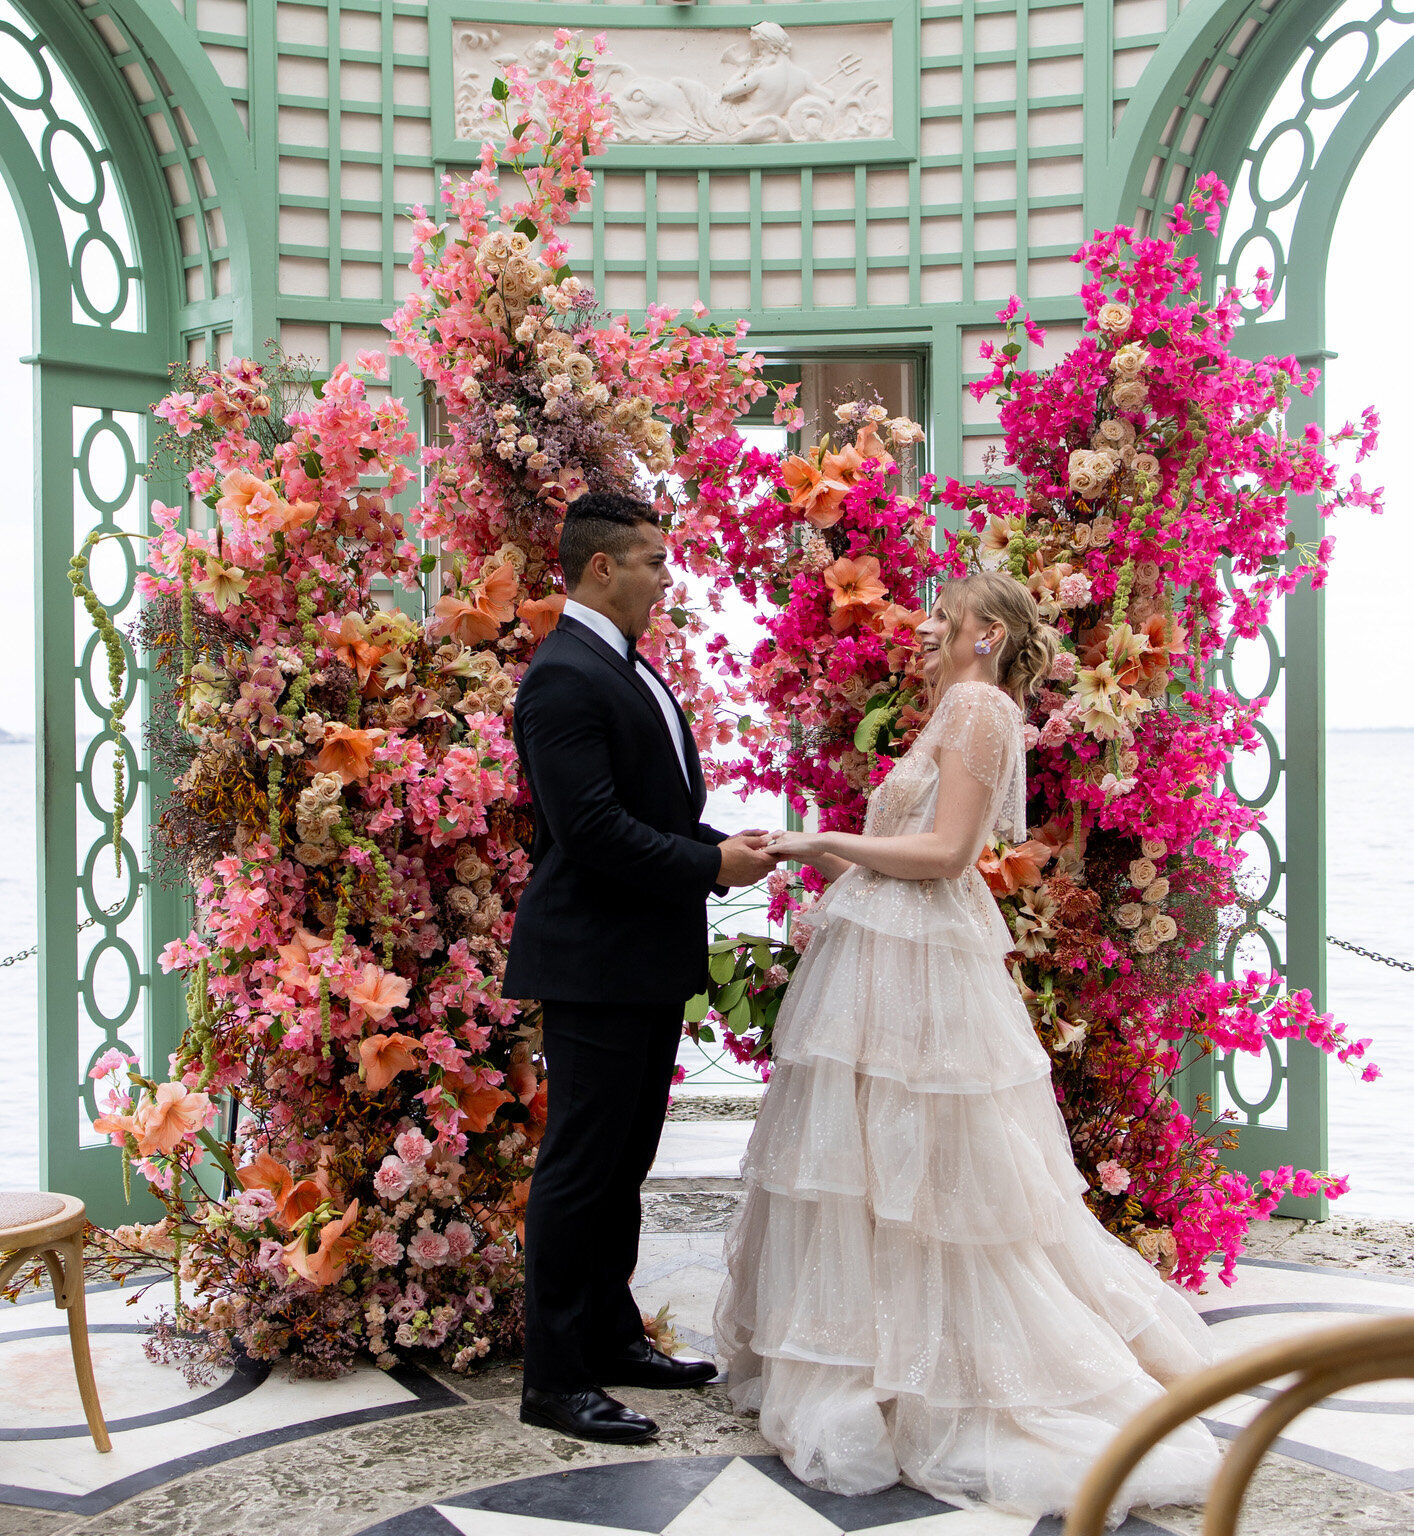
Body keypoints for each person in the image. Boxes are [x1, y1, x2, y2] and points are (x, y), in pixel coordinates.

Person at [713, 572, 1220, 1518]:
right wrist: (805, 849)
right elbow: (904, 844)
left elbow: (947, 855)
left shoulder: (981, 707)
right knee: (872, 1166)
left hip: (921, 966)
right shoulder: (952, 708)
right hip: (883, 952)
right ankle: (874, 1345)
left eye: (943, 621)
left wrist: (827, 836)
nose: (925, 632)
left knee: (929, 1168)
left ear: (986, 634)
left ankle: (944, 1365)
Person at [504, 490, 777, 1444]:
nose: (669, 577)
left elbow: (644, 813)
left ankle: (615, 1338)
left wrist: (716, 842)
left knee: (626, 1166)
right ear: (602, 567)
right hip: (592, 961)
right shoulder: (564, 676)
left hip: (642, 959)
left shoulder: (623, 666)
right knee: (579, 1171)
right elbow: (589, 833)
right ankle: (557, 1377)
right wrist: (710, 867)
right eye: (655, 561)